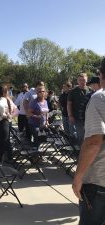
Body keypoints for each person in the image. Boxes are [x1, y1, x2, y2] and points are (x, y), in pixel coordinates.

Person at [72, 58, 105, 225]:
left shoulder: (99, 98)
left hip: (98, 181)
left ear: (100, 75)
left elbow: (93, 142)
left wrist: (78, 177)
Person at [67, 73, 90, 147]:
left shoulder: (90, 90)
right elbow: (69, 104)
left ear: (86, 80)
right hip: (78, 118)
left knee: (89, 136)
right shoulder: (73, 91)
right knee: (81, 136)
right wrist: (70, 115)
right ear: (77, 81)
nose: (82, 82)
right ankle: (81, 153)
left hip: (89, 118)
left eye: (84, 80)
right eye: (80, 80)